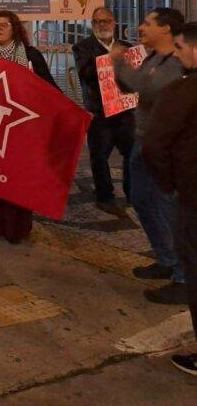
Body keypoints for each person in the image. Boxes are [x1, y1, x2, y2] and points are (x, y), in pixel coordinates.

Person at [112, 7, 187, 303]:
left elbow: (150, 88)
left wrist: (119, 64)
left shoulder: (178, 61)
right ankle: (166, 259)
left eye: (147, 23)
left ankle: (183, 276)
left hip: (163, 148)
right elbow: (132, 88)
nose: (141, 28)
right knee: (142, 200)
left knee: (169, 208)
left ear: (166, 29)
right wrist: (122, 72)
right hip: (142, 142)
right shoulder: (152, 56)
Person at [0, 10, 57, 247]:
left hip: (19, 129)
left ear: (15, 28)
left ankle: (13, 229)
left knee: (15, 180)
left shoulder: (31, 56)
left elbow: (51, 91)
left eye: (4, 25)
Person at [142, 21, 197, 377]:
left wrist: (170, 184)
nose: (177, 54)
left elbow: (154, 144)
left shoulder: (184, 90)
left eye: (181, 48)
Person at [72, 7, 136, 212]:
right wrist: (110, 59)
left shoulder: (127, 47)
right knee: (99, 156)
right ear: (92, 24)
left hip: (125, 112)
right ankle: (104, 196)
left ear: (114, 23)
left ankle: (132, 193)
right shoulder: (82, 47)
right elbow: (86, 73)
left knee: (131, 154)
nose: (103, 25)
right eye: (98, 21)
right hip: (99, 112)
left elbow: (134, 76)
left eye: (106, 21)